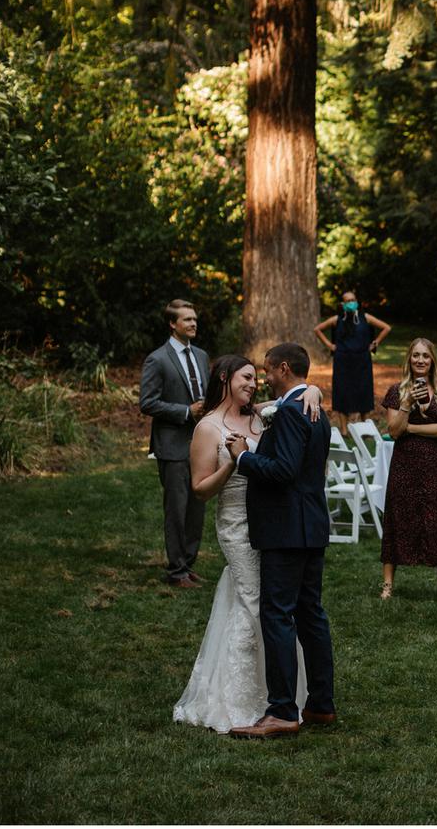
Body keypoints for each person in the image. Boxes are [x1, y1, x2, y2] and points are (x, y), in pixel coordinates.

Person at [174, 356, 321, 732]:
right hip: (238, 525)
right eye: (246, 378)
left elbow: (296, 395)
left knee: (267, 604)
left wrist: (315, 391)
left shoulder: (261, 416)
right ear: (225, 378)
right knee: (258, 601)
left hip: (272, 524)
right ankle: (252, 699)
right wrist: (234, 463)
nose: (254, 384)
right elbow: (199, 490)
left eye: (257, 378)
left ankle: (282, 699)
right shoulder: (207, 428)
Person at [227, 343, 337, 739]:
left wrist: (242, 457)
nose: (263, 379)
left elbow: (283, 470)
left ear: (284, 368)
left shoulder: (292, 411)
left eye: (267, 371)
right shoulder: (314, 410)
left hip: (285, 529)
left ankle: (282, 711)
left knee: (277, 615)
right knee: (311, 615)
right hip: (310, 527)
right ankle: (321, 705)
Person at [379, 338, 437, 601]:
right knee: (397, 517)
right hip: (404, 464)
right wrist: (406, 405)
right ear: (409, 359)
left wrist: (410, 429)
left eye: (425, 355)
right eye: (416, 355)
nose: (421, 360)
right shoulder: (396, 391)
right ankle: (388, 585)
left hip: (434, 464)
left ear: (433, 359)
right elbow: (393, 431)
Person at [139, 299, 211, 589]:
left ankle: (188, 565)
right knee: (177, 510)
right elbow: (147, 403)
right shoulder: (157, 359)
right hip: (172, 445)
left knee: (197, 509)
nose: (193, 323)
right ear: (173, 324)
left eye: (194, 319)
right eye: (187, 320)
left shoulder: (202, 356)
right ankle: (176, 571)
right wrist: (185, 412)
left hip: (201, 444)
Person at [313, 290, 391, 434]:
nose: (351, 303)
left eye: (353, 300)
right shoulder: (337, 319)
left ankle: (365, 428)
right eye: (348, 301)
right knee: (342, 391)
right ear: (342, 304)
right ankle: (344, 429)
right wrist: (330, 345)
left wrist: (375, 342)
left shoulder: (365, 317)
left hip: (362, 360)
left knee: (364, 391)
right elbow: (317, 329)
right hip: (342, 360)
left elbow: (386, 327)